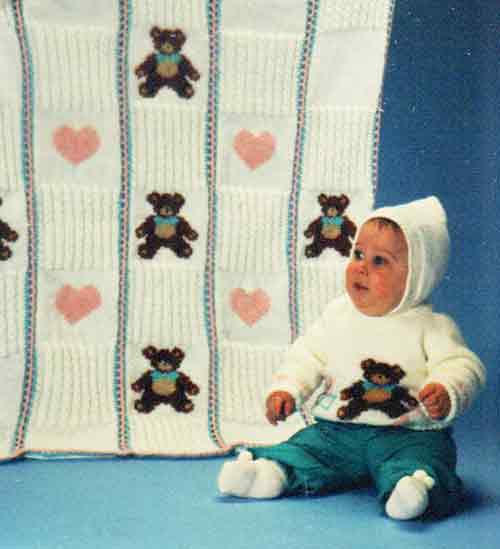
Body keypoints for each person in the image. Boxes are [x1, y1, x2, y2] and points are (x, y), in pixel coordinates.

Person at [217, 196, 486, 520]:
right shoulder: (337, 316)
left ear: (417, 276)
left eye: (379, 261)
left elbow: (462, 365)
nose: (361, 267)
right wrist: (287, 389)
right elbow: (307, 354)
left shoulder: (432, 327)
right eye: (358, 254)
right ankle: (272, 472)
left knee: (425, 459)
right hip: (338, 433)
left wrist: (446, 389)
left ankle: (413, 489)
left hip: (408, 435)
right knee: (307, 447)